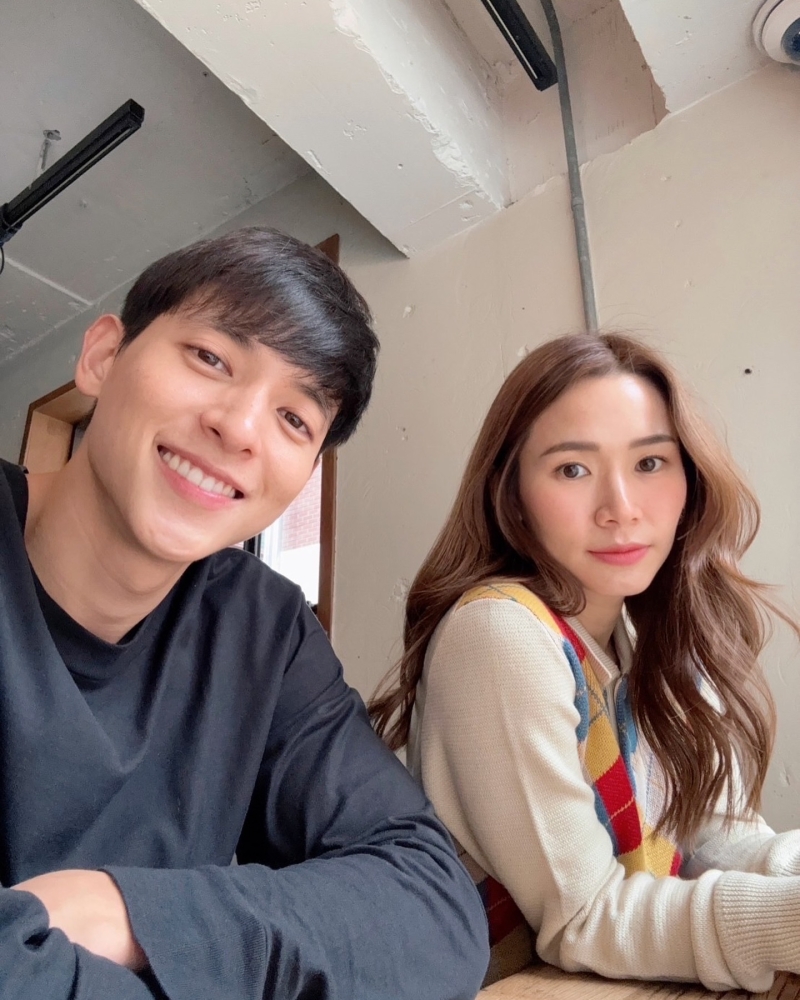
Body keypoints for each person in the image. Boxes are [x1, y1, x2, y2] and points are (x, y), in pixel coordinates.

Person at [0, 227, 488, 1000]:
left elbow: (433, 910)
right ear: (102, 356)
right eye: (210, 358)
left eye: (295, 419)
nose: (239, 428)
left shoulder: (262, 631)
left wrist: (134, 912)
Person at [370, 331, 800, 993]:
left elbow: (714, 835)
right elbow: (583, 918)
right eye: (572, 469)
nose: (620, 509)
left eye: (650, 462)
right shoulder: (500, 633)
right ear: (512, 494)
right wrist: (785, 922)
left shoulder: (651, 637)